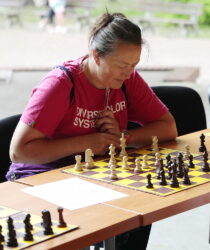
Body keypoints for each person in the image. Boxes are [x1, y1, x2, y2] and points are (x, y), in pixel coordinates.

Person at [8, 12, 177, 249]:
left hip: (91, 175)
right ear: (96, 56)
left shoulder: (127, 80)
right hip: (40, 177)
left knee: (143, 206)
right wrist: (89, 142)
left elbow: (168, 127)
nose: (129, 72)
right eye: (122, 65)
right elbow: (19, 152)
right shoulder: (60, 84)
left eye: (134, 64)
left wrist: (121, 138)